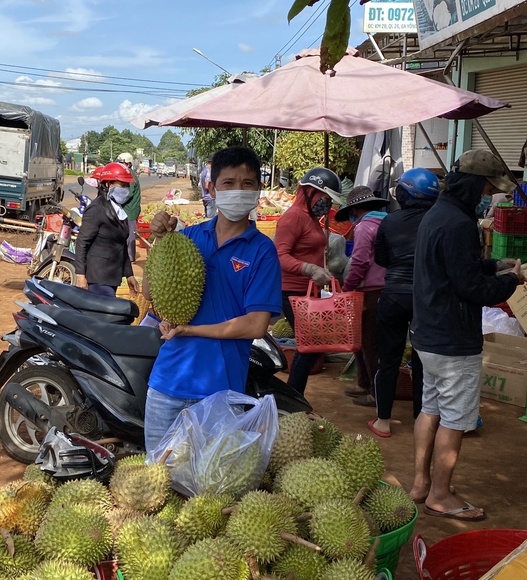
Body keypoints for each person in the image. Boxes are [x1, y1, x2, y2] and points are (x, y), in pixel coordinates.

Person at [410, 149, 526, 522]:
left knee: (430, 408)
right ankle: (440, 495)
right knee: (456, 418)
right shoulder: (459, 224)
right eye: (487, 188)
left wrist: (495, 265)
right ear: (475, 184)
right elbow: (472, 288)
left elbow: (456, 268)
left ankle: (420, 483)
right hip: (453, 339)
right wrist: (512, 281)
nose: (487, 196)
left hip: (428, 334)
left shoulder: (437, 215)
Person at [143, 147, 282, 452]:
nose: (238, 190)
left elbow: (256, 325)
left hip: (220, 392)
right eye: (229, 183)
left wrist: (191, 330)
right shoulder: (189, 238)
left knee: (206, 491)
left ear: (258, 190)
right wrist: (159, 243)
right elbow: (151, 294)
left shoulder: (262, 251)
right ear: (211, 189)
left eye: (248, 184)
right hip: (168, 382)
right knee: (156, 482)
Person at [367, 168, 440, 438]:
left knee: (388, 359)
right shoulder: (439, 221)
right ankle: (422, 418)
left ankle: (383, 421)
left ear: (405, 193)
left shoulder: (389, 221)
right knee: (423, 361)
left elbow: (382, 259)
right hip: (426, 299)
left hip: (394, 297)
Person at [273, 167, 345, 395]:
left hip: (308, 292)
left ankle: (293, 396)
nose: (327, 204)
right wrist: (308, 268)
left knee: (312, 346)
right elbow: (279, 255)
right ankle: (293, 396)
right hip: (292, 291)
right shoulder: (293, 218)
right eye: (324, 198)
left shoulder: (311, 218)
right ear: (309, 192)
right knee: (309, 346)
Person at [336, 186, 388, 407]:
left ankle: (375, 394)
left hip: (371, 292)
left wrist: (347, 287)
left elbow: (359, 262)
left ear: (356, 210)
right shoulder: (387, 222)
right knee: (362, 341)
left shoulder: (365, 227)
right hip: (388, 289)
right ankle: (364, 383)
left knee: (369, 344)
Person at [76, 162, 138, 297]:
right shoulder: (96, 208)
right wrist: (80, 275)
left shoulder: (119, 209)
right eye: (122, 184)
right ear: (108, 185)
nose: (126, 189)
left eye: (127, 185)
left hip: (112, 277)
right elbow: (82, 242)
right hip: (97, 278)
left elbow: (121, 244)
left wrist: (129, 274)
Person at [117, 154, 143, 262]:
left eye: (121, 162)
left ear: (128, 163)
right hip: (125, 208)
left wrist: (118, 200)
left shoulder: (130, 175)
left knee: (131, 234)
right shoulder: (126, 174)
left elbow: (129, 193)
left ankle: (131, 257)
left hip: (131, 209)